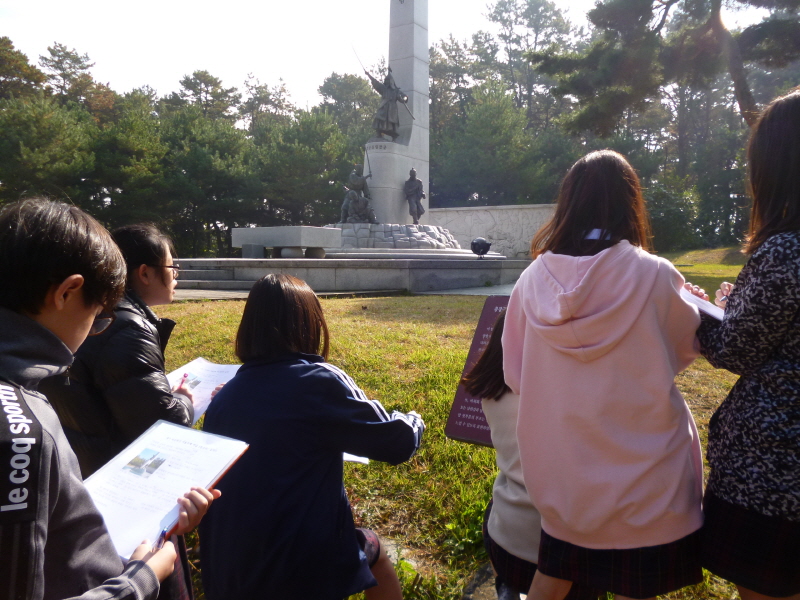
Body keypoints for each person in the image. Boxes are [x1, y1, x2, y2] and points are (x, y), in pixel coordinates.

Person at [502, 150, 704, 600]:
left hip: (563, 476)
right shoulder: (654, 274)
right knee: (637, 584)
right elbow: (683, 348)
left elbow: (515, 373)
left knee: (555, 575)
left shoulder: (531, 280)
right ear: (630, 202)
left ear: (567, 202)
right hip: (646, 477)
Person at [0, 198, 215, 600]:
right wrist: (141, 580)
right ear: (67, 292)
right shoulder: (21, 432)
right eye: (98, 316)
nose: (94, 331)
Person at [199, 274, 425, 600]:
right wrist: (414, 420)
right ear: (310, 323)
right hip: (296, 570)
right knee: (373, 548)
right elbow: (397, 443)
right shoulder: (318, 380)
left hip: (230, 570)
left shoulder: (226, 394)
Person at [685, 89, 800, 600]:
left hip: (775, 471)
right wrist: (741, 305)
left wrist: (696, 312)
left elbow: (735, 349)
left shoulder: (785, 250)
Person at [367, 66, 408, 141]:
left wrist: (404, 98)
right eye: (386, 80)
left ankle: (393, 135)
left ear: (392, 82)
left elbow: (403, 97)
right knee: (379, 118)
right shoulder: (384, 89)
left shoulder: (396, 91)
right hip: (384, 107)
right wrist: (368, 75)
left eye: (389, 80)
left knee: (390, 123)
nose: (387, 82)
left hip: (392, 109)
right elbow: (376, 83)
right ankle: (379, 134)